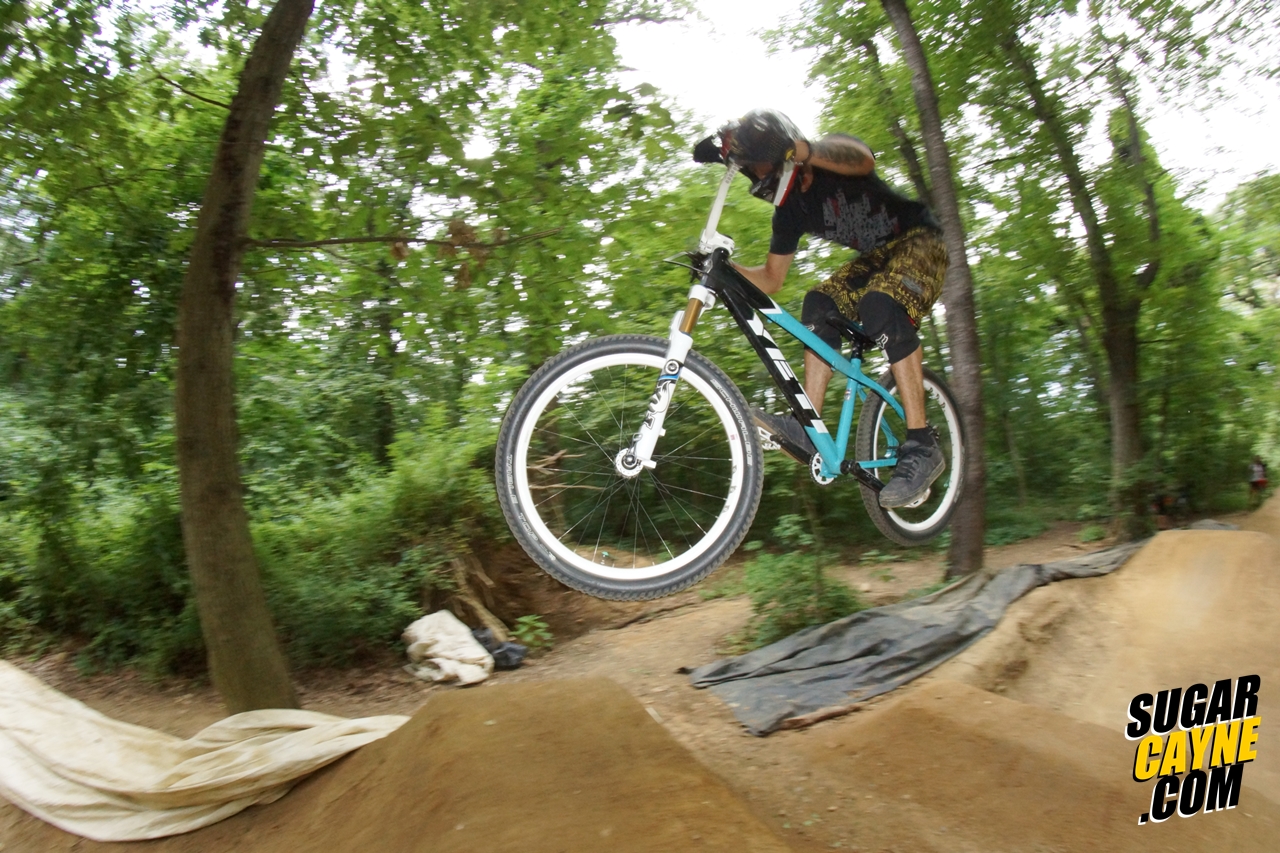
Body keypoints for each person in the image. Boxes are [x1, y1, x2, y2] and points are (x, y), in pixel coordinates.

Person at [697, 108, 949, 508]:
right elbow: (771, 279)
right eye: (752, 171)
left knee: (881, 304)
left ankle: (921, 445)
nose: (757, 175)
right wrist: (723, 269)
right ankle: (808, 426)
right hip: (877, 260)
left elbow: (862, 158)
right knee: (819, 302)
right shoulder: (789, 213)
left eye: (759, 165)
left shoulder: (829, 161)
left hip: (922, 241)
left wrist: (802, 150)